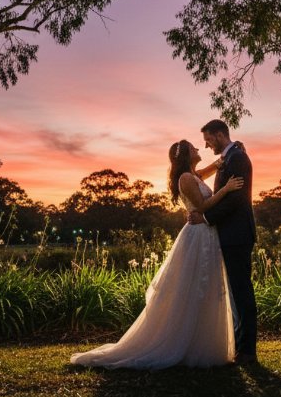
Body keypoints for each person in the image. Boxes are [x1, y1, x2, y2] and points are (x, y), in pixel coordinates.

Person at [70, 139, 244, 370]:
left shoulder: (193, 175)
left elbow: (210, 169)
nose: (198, 149)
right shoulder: (185, 178)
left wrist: (225, 156)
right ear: (186, 156)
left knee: (206, 287)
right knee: (193, 287)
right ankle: (180, 343)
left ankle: (200, 345)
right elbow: (202, 206)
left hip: (206, 235)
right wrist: (227, 189)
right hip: (198, 235)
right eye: (194, 148)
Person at [188, 119, 258, 365]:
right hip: (229, 234)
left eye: (208, 140)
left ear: (219, 135)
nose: (207, 146)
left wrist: (205, 217)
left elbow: (236, 201)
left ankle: (248, 351)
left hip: (237, 235)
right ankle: (242, 347)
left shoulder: (237, 158)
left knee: (242, 292)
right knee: (237, 293)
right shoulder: (229, 158)